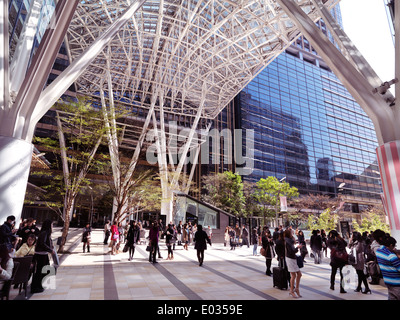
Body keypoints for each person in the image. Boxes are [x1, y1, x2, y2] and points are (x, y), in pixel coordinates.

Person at [31, 219, 55, 294]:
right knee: (40, 271)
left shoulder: (45, 233)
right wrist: (50, 250)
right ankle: (36, 287)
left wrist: (51, 246)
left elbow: (46, 242)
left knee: (44, 270)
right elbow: (42, 243)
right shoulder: (44, 233)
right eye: (51, 225)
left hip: (43, 254)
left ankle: (39, 285)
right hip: (40, 254)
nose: (52, 226)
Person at [376, 234, 400, 300]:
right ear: (391, 245)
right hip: (397, 283)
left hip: (388, 282)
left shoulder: (379, 251)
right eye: (394, 246)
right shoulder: (391, 256)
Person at [284, 229, 302, 298]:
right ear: (289, 233)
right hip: (290, 259)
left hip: (291, 258)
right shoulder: (288, 241)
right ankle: (292, 290)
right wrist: (297, 247)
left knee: (299, 274)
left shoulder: (289, 240)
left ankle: (296, 289)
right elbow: (292, 251)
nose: (293, 234)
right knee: (294, 275)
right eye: (292, 233)